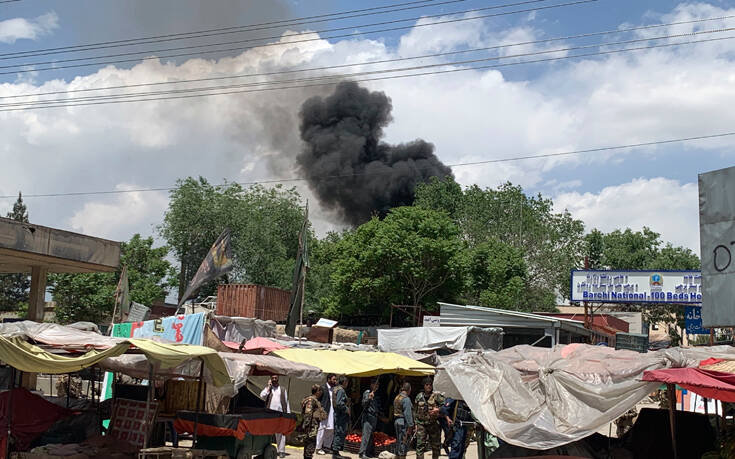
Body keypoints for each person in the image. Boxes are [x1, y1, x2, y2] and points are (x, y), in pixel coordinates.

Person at [414, 377, 448, 459]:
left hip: (433, 424)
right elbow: (415, 411)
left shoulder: (436, 396)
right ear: (424, 386)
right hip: (421, 425)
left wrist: (438, 410)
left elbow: (445, 405)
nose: (429, 386)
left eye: (430, 385)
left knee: (435, 446)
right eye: (427, 385)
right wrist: (415, 423)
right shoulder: (419, 397)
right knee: (420, 446)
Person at [260, 375, 291, 458]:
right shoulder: (268, 389)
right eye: (272, 378)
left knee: (280, 433)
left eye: (275, 378)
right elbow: (262, 396)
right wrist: (268, 387)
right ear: (270, 379)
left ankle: (281, 451)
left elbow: (286, 402)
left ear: (278, 379)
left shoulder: (283, 389)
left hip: (280, 414)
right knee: (268, 432)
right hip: (269, 415)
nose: (274, 380)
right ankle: (265, 449)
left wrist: (288, 414)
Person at [301, 385, 327, 459]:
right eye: (320, 391)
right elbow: (308, 414)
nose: (321, 392)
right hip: (310, 427)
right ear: (317, 392)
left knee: (309, 445)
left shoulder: (314, 400)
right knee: (310, 445)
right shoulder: (311, 400)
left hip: (312, 426)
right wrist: (307, 427)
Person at [316, 374, 338, 455]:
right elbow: (317, 400)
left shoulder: (335, 389)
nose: (335, 381)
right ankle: (318, 448)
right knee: (322, 429)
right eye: (334, 379)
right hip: (324, 412)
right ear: (328, 379)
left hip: (333, 412)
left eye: (336, 379)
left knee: (331, 430)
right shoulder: (322, 388)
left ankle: (326, 447)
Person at [359, 378, 380, 459]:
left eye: (378, 385)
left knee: (370, 435)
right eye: (376, 384)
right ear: (372, 385)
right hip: (368, 416)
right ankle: (362, 452)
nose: (377, 386)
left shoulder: (375, 394)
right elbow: (363, 403)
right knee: (366, 434)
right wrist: (369, 398)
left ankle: (368, 452)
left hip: (373, 417)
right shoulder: (367, 392)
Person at [393, 382, 414, 459]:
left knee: (398, 440)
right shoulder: (406, 399)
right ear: (409, 389)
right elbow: (407, 414)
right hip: (403, 422)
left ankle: (397, 456)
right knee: (403, 442)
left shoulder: (397, 397)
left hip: (397, 421)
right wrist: (410, 426)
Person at [331, 375, 350, 459]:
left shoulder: (336, 389)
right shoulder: (341, 390)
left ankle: (336, 451)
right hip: (340, 415)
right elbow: (339, 403)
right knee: (339, 431)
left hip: (338, 414)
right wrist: (346, 409)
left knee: (338, 431)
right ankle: (335, 452)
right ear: (344, 382)